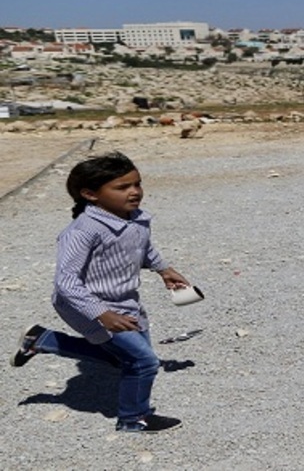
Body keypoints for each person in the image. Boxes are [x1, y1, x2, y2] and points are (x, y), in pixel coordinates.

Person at [11, 152, 190, 433]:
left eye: (137, 184)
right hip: (85, 305)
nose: (134, 192)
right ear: (90, 194)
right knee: (143, 361)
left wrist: (163, 269)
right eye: (122, 187)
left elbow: (141, 247)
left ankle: (42, 339)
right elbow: (66, 283)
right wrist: (102, 314)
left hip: (123, 301)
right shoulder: (82, 231)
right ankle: (133, 419)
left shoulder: (136, 218)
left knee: (124, 358)